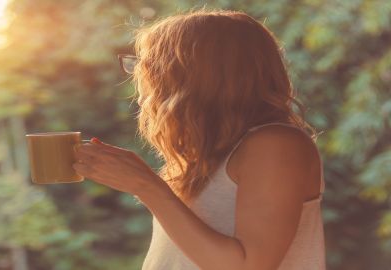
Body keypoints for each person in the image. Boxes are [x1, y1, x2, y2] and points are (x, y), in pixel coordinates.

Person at [73, 8, 326, 270]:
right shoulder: (205, 153)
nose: (144, 85)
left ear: (192, 76)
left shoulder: (276, 144)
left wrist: (146, 186)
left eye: (150, 68)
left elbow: (250, 266)